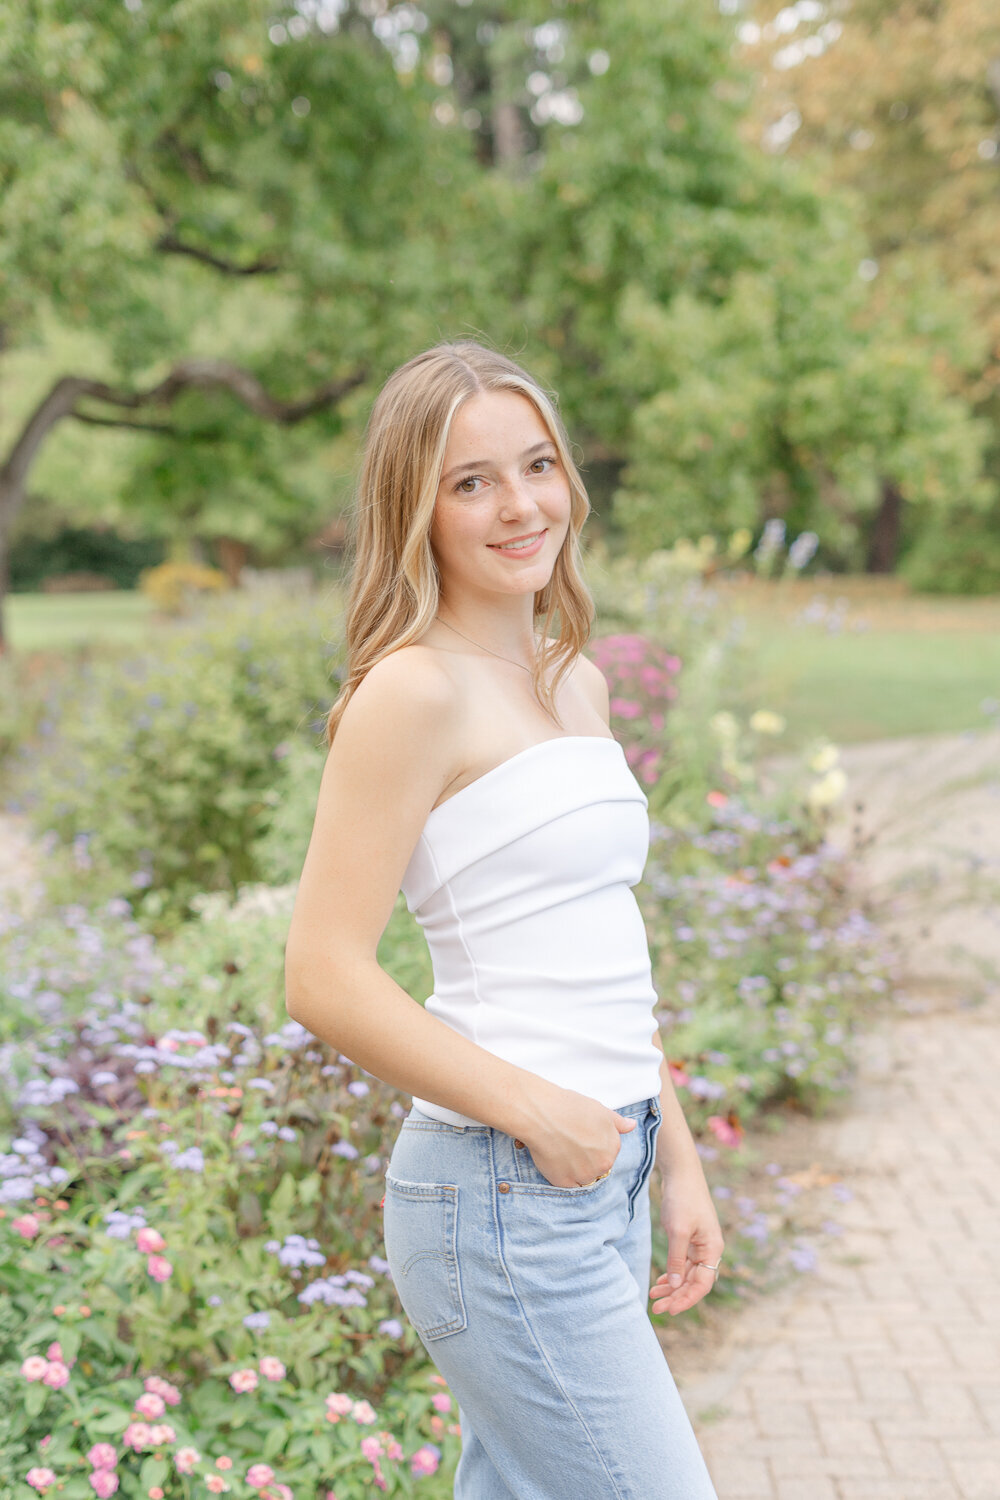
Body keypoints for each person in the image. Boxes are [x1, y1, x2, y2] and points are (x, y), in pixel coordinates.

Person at [284, 339, 723, 1499]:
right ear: (413, 509)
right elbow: (322, 973)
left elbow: (595, 949)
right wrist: (545, 1119)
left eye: (537, 464)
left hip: (594, 1168)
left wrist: (670, 1159)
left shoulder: (570, 677)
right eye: (470, 480)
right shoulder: (410, 692)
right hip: (501, 1184)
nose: (521, 503)